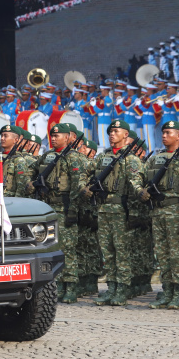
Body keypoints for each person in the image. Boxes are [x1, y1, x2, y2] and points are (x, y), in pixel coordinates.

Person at [81, 120, 144, 306]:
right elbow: (85, 172)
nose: (112, 134)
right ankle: (111, 288)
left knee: (121, 251)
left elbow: (135, 183)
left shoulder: (131, 159)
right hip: (103, 209)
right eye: (110, 131)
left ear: (126, 135)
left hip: (120, 210)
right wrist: (83, 187)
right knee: (107, 252)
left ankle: (123, 289)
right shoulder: (103, 157)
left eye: (116, 131)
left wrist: (136, 207)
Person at [140, 121, 179, 309]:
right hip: (158, 212)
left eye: (168, 133)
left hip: (176, 212)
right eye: (163, 133)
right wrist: (140, 191)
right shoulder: (155, 159)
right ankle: (167, 290)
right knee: (163, 254)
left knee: (178, 255)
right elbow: (139, 178)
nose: (164, 136)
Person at [25, 123, 85, 303]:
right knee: (50, 248)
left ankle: (71, 287)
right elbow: (31, 168)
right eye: (52, 135)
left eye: (58, 135)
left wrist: (73, 210)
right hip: (47, 208)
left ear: (68, 137)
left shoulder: (74, 158)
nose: (54, 138)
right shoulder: (47, 156)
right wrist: (30, 183)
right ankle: (55, 285)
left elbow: (77, 186)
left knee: (68, 250)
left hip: (65, 207)